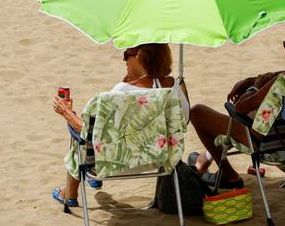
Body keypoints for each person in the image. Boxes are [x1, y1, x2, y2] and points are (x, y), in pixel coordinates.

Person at [188, 21, 285, 188]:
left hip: (268, 145)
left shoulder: (282, 82)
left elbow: (240, 107)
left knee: (197, 112)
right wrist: (254, 79)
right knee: (253, 114)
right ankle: (204, 159)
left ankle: (230, 175)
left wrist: (255, 86)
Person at [51, 43, 188, 207]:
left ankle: (69, 194)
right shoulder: (174, 87)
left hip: (114, 163)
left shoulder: (121, 91)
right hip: (160, 160)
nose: (124, 60)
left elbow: (91, 132)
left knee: (78, 140)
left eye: (127, 54)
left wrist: (66, 112)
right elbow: (183, 121)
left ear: (140, 56)